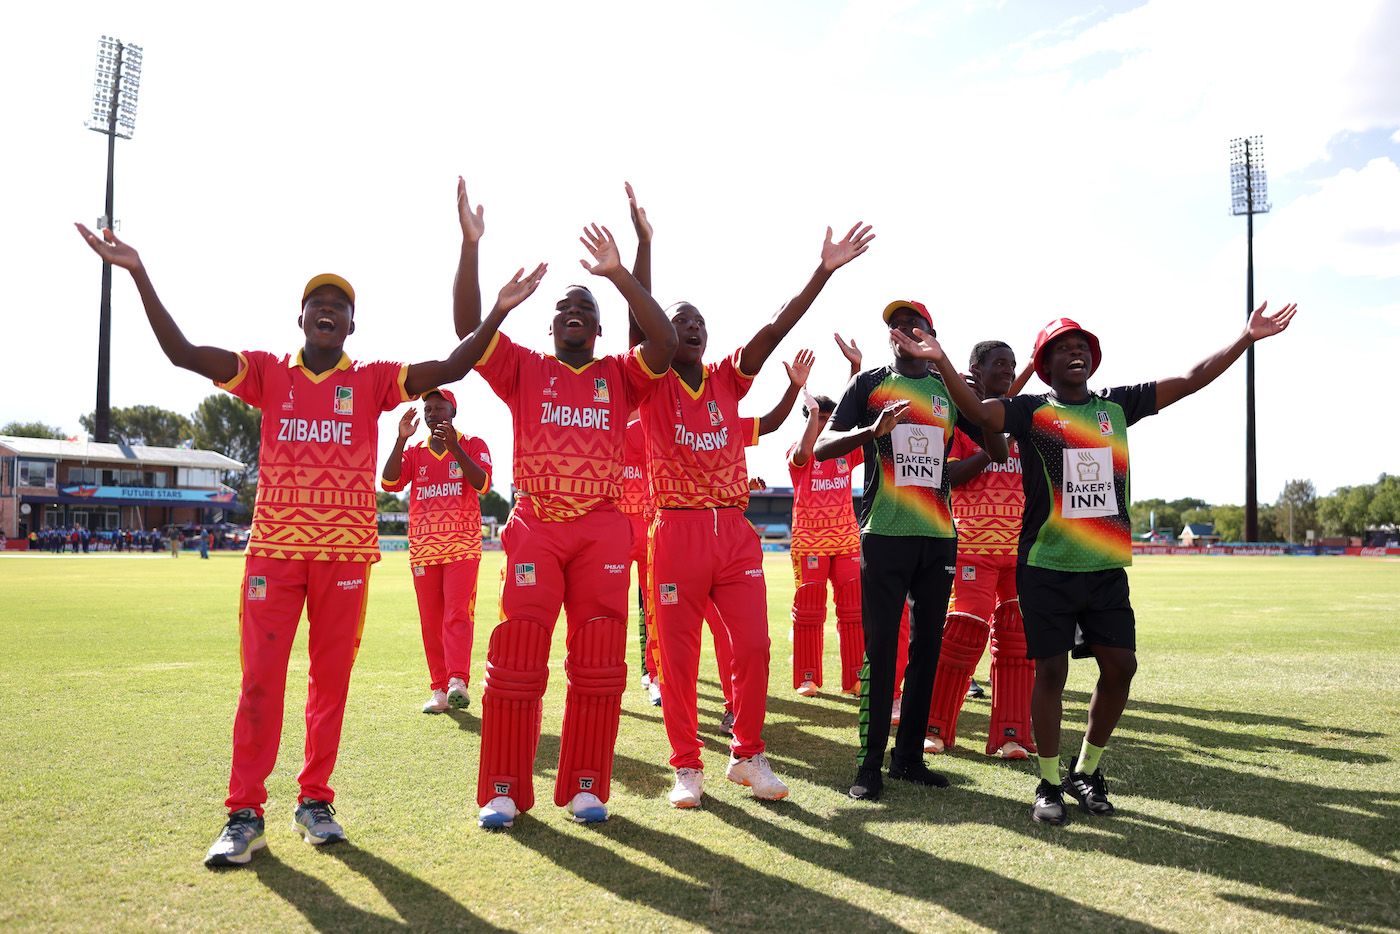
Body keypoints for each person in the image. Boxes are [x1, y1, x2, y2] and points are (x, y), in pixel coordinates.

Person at [75, 219, 523, 867]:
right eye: (318, 302)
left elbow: (453, 365)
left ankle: (314, 801)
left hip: (344, 560)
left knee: (328, 685)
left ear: (352, 326)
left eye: (340, 305)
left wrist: (497, 313)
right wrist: (140, 272)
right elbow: (183, 353)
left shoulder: (372, 380)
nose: (329, 309)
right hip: (274, 557)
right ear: (301, 318)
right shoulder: (265, 373)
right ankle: (244, 813)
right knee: (260, 684)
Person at [888, 302, 1297, 824]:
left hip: (1104, 567)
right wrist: (941, 359)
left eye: (1081, 345)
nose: (1075, 351)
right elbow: (979, 412)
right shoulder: (1030, 411)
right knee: (1051, 672)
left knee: (1121, 667)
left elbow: (1190, 379)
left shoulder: (1117, 406)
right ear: (1046, 363)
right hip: (1046, 565)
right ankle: (1048, 783)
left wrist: (1244, 338)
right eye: (1063, 348)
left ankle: (1085, 770)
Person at [626, 182, 874, 808]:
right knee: (679, 658)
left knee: (755, 646)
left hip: (734, 534)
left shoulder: (726, 381)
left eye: (699, 323)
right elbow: (640, 318)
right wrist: (643, 244)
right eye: (679, 322)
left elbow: (776, 326)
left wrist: (822, 272)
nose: (691, 328)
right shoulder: (651, 384)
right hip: (676, 531)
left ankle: (748, 755)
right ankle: (687, 766)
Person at [450, 180, 676, 829]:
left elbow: (662, 343)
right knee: (517, 653)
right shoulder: (523, 368)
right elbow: (467, 331)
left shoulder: (620, 376)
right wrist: (472, 247)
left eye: (585, 306)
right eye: (563, 307)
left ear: (600, 329)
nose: (573, 311)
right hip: (536, 525)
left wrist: (621, 272)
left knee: (599, 659)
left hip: (603, 527)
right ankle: (502, 788)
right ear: (550, 326)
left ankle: (585, 786)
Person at [814, 300, 1005, 803]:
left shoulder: (946, 390)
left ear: (931, 335)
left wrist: (961, 383)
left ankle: (908, 759)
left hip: (938, 537)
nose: (902, 331)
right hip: (884, 534)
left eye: (912, 325)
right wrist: (871, 431)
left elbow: (997, 445)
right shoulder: (870, 385)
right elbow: (822, 447)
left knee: (927, 650)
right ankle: (869, 764)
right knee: (881, 651)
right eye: (895, 325)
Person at [923, 341, 1037, 759]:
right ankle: (934, 728)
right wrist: (992, 448)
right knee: (963, 634)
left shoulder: (1026, 419)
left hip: (1020, 552)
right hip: (973, 547)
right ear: (976, 369)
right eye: (999, 364)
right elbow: (946, 477)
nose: (1007, 370)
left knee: (1019, 640)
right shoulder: (960, 421)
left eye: (1012, 365)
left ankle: (1011, 734)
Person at [381, 388, 493, 715]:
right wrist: (400, 439)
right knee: (431, 622)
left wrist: (455, 448)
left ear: (453, 412)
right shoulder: (415, 451)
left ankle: (458, 681)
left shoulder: (473, 444)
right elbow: (389, 483)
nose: (432, 414)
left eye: (439, 408)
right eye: (428, 409)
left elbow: (483, 484)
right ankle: (439, 689)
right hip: (424, 549)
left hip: (462, 546)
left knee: (456, 615)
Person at [787, 333, 865, 698]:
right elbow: (805, 453)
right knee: (809, 610)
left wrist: (856, 368)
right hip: (809, 544)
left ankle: (855, 677)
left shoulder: (845, 452)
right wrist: (814, 413)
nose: (829, 427)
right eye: (821, 420)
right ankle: (807, 677)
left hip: (846, 541)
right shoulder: (798, 451)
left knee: (853, 610)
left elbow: (854, 413)